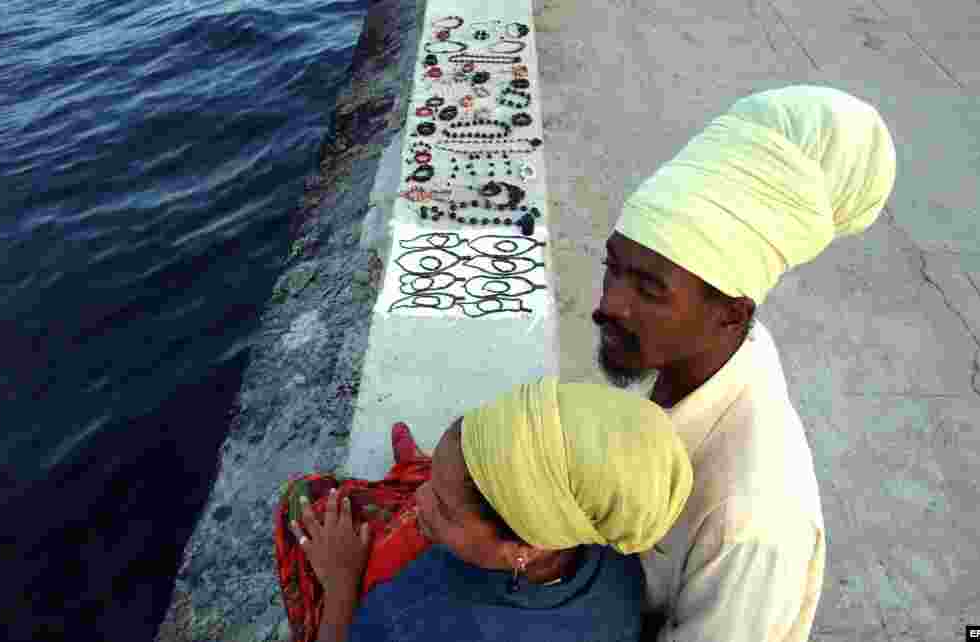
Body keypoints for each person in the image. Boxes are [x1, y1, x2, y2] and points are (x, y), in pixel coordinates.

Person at [592, 85, 897, 641]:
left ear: (731, 313)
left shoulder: (751, 519)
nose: (608, 303)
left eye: (648, 289)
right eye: (613, 267)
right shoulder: (702, 355)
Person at [275, 376, 692, 642]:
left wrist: (342, 582)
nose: (419, 499)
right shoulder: (618, 566)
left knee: (304, 503)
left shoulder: (408, 619)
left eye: (443, 505)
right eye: (430, 480)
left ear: (523, 548)